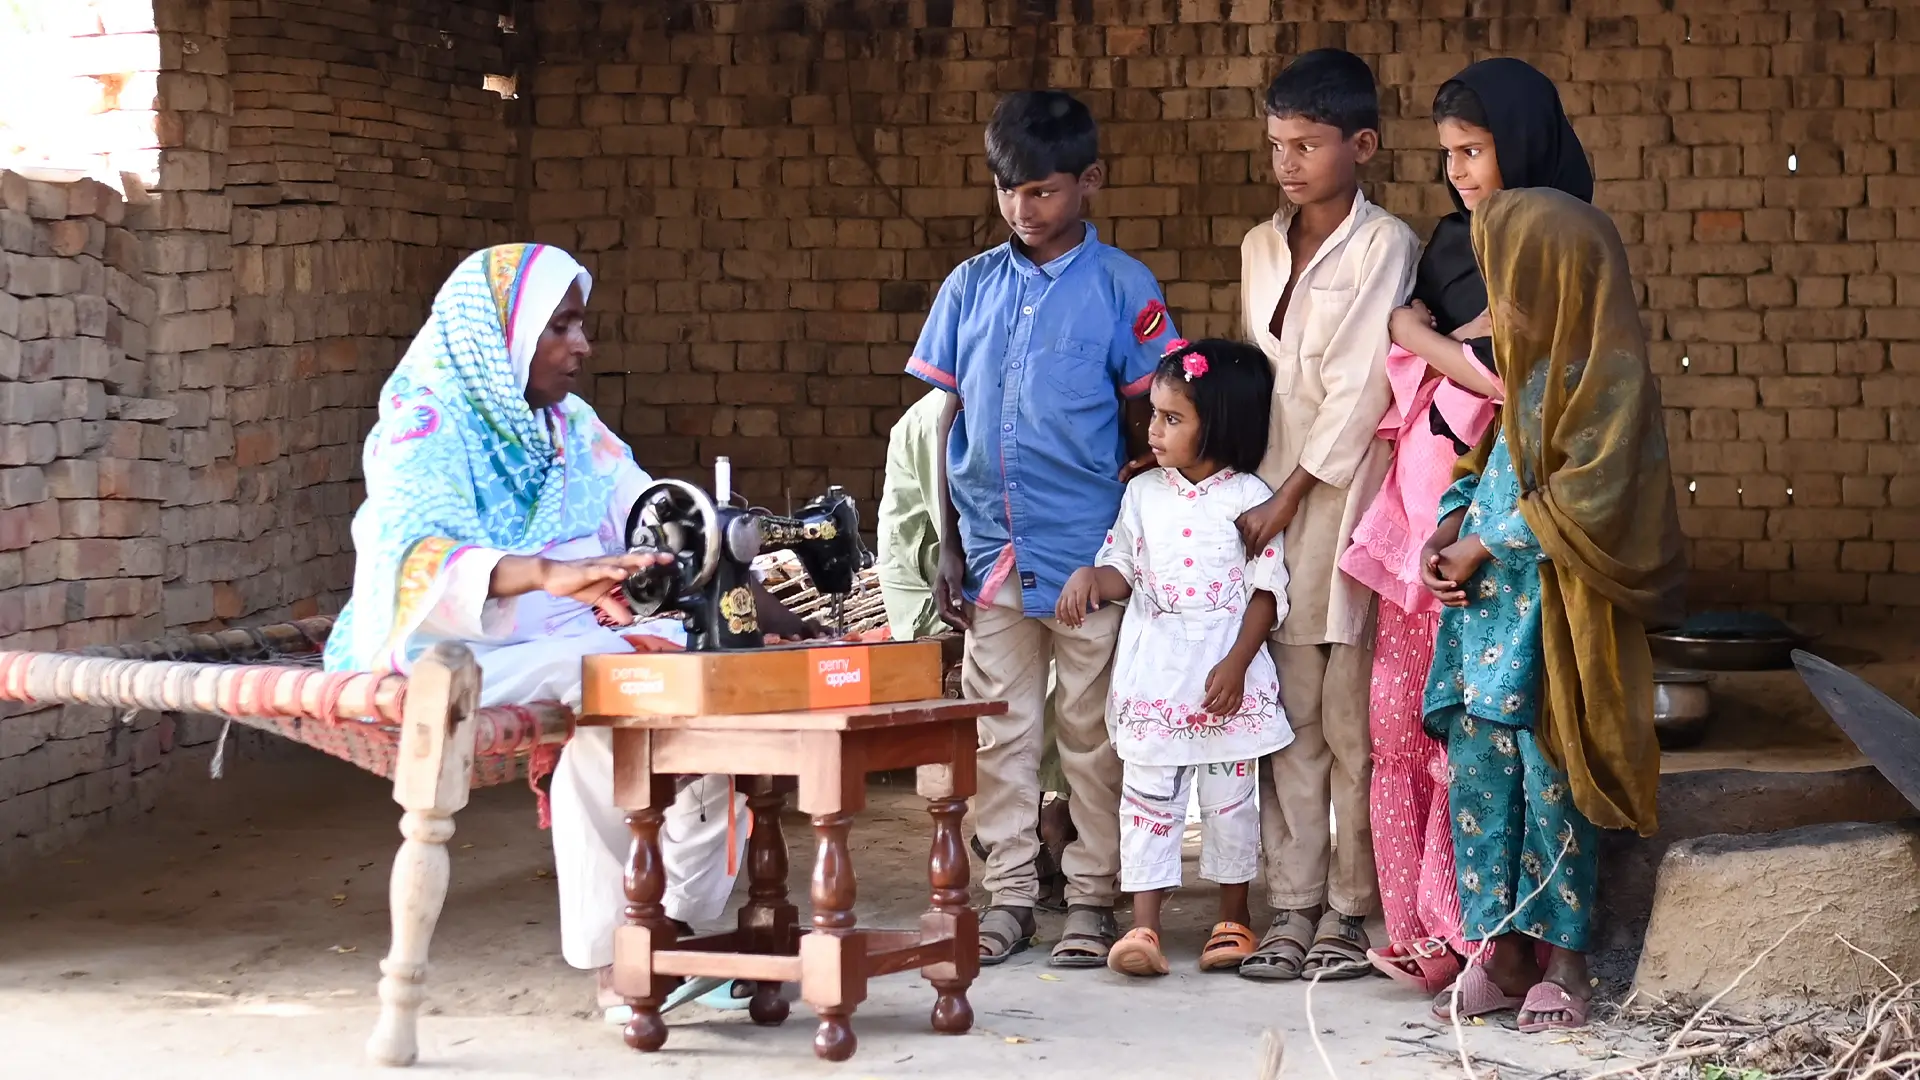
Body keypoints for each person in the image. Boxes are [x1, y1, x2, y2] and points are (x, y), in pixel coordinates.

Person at [323, 243, 815, 1020]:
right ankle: (616, 955)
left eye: (580, 325)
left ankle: (672, 928)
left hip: (573, 643)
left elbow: (660, 526)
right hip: (450, 651)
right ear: (500, 339)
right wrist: (549, 575)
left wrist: (778, 624)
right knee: (610, 680)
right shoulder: (422, 423)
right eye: (560, 327)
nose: (581, 346)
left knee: (713, 677)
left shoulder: (569, 427)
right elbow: (413, 558)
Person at [908, 89, 1181, 968]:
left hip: (1089, 561)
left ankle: (1093, 900)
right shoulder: (968, 287)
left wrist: (1135, 550)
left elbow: (1158, 423)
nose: (1021, 210)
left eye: (1042, 192)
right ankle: (1011, 897)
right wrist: (947, 546)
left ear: (1089, 182)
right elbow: (945, 421)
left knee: (1094, 737)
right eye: (1006, 191)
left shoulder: (1123, 288)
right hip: (990, 555)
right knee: (1002, 737)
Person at [1340, 58, 1595, 995]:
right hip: (1450, 539)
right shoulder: (1455, 246)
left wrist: (1419, 337)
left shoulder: (1568, 251)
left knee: (1535, 758)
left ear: (1519, 143)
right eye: (1446, 153)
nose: (1457, 169)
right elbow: (1476, 421)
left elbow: (1536, 406)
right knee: (1444, 748)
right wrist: (1452, 523)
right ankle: (1460, 940)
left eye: (1474, 149)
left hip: (1535, 557)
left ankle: (1538, 951)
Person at [1420, 186, 1684, 1032]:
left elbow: (1595, 492)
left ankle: (1565, 960)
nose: (1498, 306)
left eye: (1512, 284)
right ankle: (1494, 948)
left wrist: (1485, 545)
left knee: (1552, 779)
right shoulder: (1518, 376)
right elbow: (1476, 469)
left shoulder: (1609, 379)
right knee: (1481, 777)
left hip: (1553, 624)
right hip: (1481, 621)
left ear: (1562, 280)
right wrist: (1450, 530)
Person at [1234, 49, 1420, 981]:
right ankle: (1292, 906)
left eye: (1307, 144)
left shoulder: (1386, 245)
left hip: (1344, 506)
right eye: (1278, 145)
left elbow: (1356, 392)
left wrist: (1288, 498)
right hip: (1264, 507)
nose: (1289, 163)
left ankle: (1354, 910)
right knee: (1286, 718)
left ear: (1363, 145)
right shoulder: (1260, 246)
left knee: (1352, 724)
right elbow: (1261, 380)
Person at [1054, 339, 1294, 978]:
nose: (1152, 430)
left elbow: (1266, 590)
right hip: (1156, 672)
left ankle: (1232, 921)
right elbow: (1125, 570)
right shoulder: (1143, 496)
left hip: (1224, 676)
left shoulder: (1249, 495)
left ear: (1216, 424)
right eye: (1153, 415)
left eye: (1171, 418)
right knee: (1149, 800)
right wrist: (1090, 577)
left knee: (1230, 803)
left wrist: (1240, 662)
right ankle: (1143, 929)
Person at [877, 390, 1075, 910]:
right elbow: (951, 539)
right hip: (942, 592)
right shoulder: (931, 421)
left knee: (1075, 676)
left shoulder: (1038, 395)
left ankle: (1046, 814)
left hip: (1014, 577)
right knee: (1009, 697)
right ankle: (1027, 828)